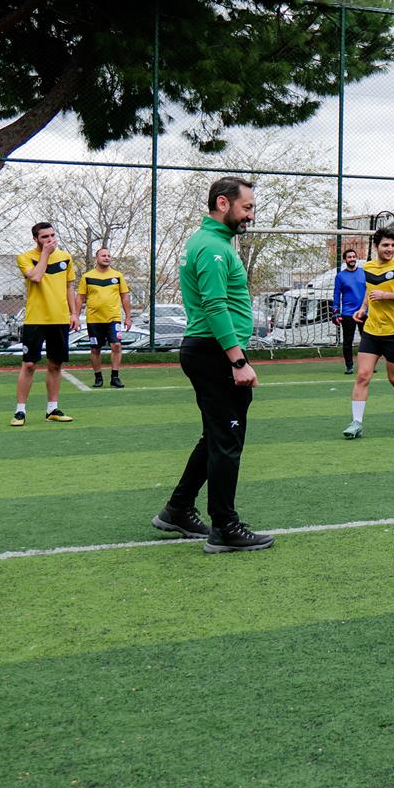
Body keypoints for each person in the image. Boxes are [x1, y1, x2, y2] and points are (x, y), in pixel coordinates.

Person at [153, 176, 273, 552]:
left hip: (209, 350)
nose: (251, 215)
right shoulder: (212, 247)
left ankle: (177, 509)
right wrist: (237, 360)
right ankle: (225, 527)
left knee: (216, 436)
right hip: (215, 353)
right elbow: (214, 305)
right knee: (227, 441)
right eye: (247, 207)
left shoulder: (210, 242)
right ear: (223, 203)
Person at [344, 227, 394, 437]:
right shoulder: (368, 267)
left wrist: (385, 295)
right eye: (385, 245)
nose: (390, 249)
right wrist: (363, 308)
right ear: (376, 246)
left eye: (393, 245)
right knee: (362, 375)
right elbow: (370, 291)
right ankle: (356, 423)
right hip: (372, 331)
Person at [12, 222, 79, 426]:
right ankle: (20, 412)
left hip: (60, 318)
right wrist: (45, 254)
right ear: (35, 239)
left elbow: (69, 287)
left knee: (55, 364)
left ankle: (52, 409)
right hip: (36, 319)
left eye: (52, 235)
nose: (50, 239)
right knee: (29, 364)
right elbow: (36, 277)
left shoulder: (66, 257)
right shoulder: (25, 257)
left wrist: (74, 313)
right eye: (44, 237)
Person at [76, 247, 131, 388]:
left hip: (113, 318)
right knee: (95, 349)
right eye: (103, 255)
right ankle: (98, 377)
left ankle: (115, 377)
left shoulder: (117, 276)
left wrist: (128, 317)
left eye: (108, 255)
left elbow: (124, 296)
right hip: (94, 319)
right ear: (97, 258)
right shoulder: (87, 277)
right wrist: (75, 316)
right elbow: (80, 297)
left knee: (116, 345)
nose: (107, 258)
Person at [331, 247, 366, 374]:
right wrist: (335, 311)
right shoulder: (340, 276)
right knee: (348, 341)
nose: (352, 259)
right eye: (349, 257)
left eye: (354, 257)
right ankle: (349, 366)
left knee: (367, 341)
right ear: (345, 260)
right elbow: (336, 294)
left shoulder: (364, 272)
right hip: (347, 313)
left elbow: (369, 290)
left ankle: (367, 365)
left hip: (363, 312)